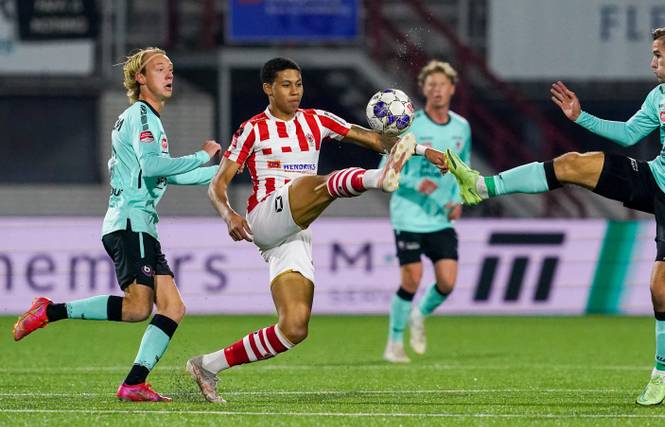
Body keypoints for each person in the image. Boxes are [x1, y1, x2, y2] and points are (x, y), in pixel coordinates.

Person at [445, 24, 665, 406]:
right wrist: (581, 117)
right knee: (573, 164)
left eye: (658, 55)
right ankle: (483, 187)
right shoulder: (660, 95)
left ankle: (661, 374)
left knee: (661, 289)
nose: (652, 62)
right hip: (655, 177)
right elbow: (629, 134)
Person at [185, 57, 446, 403]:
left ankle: (207, 365)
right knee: (314, 183)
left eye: (299, 84)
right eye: (286, 85)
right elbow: (217, 184)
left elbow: (376, 141)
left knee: (294, 327)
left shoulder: (317, 120)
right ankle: (378, 179)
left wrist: (424, 151)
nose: (295, 91)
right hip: (264, 218)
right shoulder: (252, 129)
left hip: (296, 231)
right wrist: (229, 214)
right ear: (268, 88)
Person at [11, 48, 221, 401]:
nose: (168, 75)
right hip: (130, 223)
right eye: (159, 69)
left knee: (171, 308)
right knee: (138, 307)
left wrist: (221, 173)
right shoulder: (141, 116)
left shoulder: (146, 119)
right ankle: (48, 311)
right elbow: (155, 167)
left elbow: (161, 177)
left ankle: (134, 383)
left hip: (139, 226)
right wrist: (203, 155)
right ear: (140, 78)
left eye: (170, 69)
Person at [381, 60, 471, 363]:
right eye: (430, 85)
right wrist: (418, 182)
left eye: (441, 85)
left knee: (447, 282)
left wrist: (459, 199)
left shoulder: (462, 127)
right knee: (411, 279)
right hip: (408, 214)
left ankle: (419, 315)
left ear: (452, 89)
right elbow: (385, 170)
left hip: (440, 217)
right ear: (423, 89)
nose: (436, 90)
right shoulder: (410, 125)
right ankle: (394, 343)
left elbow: (463, 168)